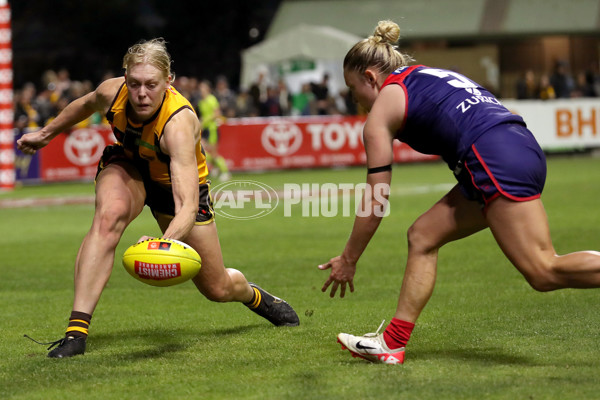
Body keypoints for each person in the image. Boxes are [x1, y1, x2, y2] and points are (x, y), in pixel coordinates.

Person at [318, 20, 600, 365]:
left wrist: (348, 259)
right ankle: (392, 343)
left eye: (352, 88)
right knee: (422, 235)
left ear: (370, 78)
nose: (354, 98)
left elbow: (376, 199)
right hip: (516, 146)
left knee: (543, 271)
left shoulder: (381, 111)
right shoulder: (425, 74)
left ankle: (391, 343)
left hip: (492, 157)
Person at [18, 38, 299, 358]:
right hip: (130, 166)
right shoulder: (113, 92)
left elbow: (187, 206)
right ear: (125, 79)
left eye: (151, 85)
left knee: (217, 288)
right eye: (134, 83)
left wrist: (164, 244)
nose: (141, 94)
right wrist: (45, 133)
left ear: (169, 81)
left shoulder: (178, 124)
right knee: (108, 217)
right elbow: (84, 104)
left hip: (174, 190)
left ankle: (253, 296)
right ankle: (75, 334)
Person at [197, 79, 231, 181]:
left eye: (203, 87)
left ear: (208, 89)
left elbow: (217, 113)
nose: (201, 89)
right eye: (200, 87)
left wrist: (205, 120)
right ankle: (215, 167)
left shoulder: (211, 99)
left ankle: (225, 171)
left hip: (212, 129)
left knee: (213, 153)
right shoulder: (201, 102)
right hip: (205, 129)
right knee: (201, 149)